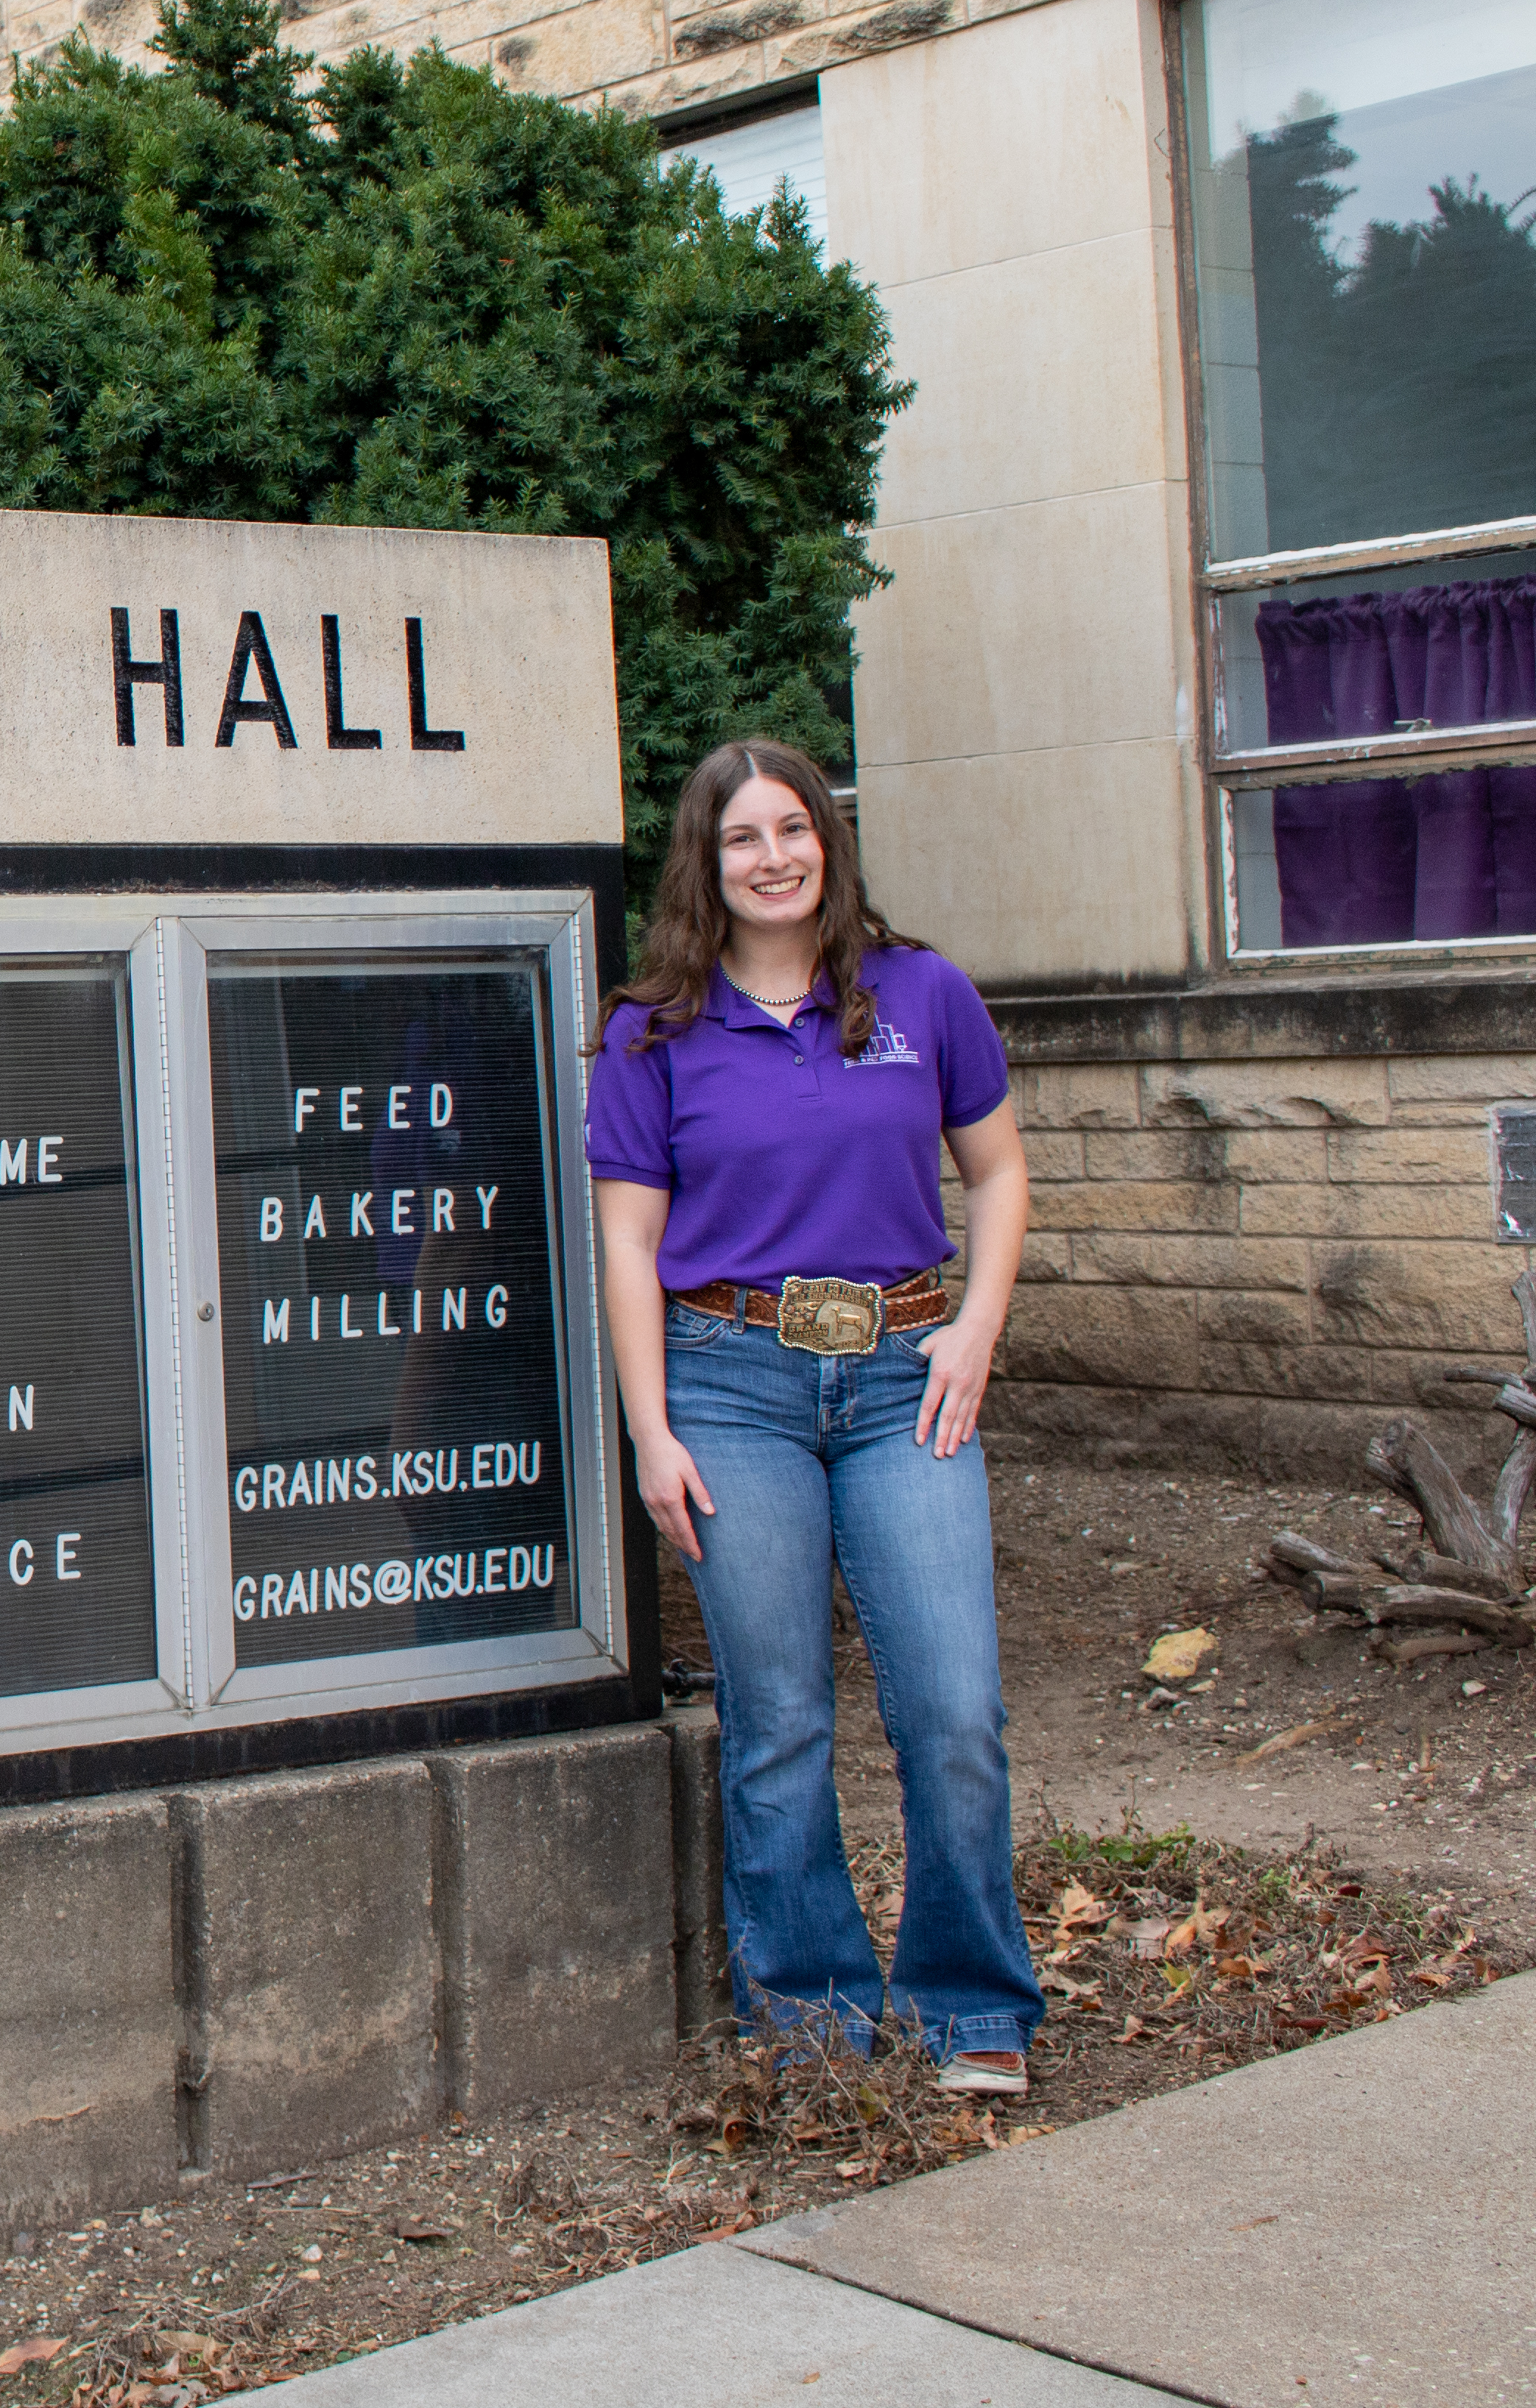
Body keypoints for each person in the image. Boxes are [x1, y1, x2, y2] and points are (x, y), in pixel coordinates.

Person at [584, 737, 1040, 2091]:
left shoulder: (921, 993)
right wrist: (651, 1428)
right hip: (730, 1383)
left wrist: (977, 1327)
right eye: (743, 838)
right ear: (704, 863)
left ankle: (970, 2007)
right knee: (779, 1718)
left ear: (828, 843)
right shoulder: (652, 1030)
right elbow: (627, 1246)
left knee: (954, 1706)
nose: (773, 856)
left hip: (908, 1378)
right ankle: (814, 2019)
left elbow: (1000, 1173)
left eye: (795, 828)